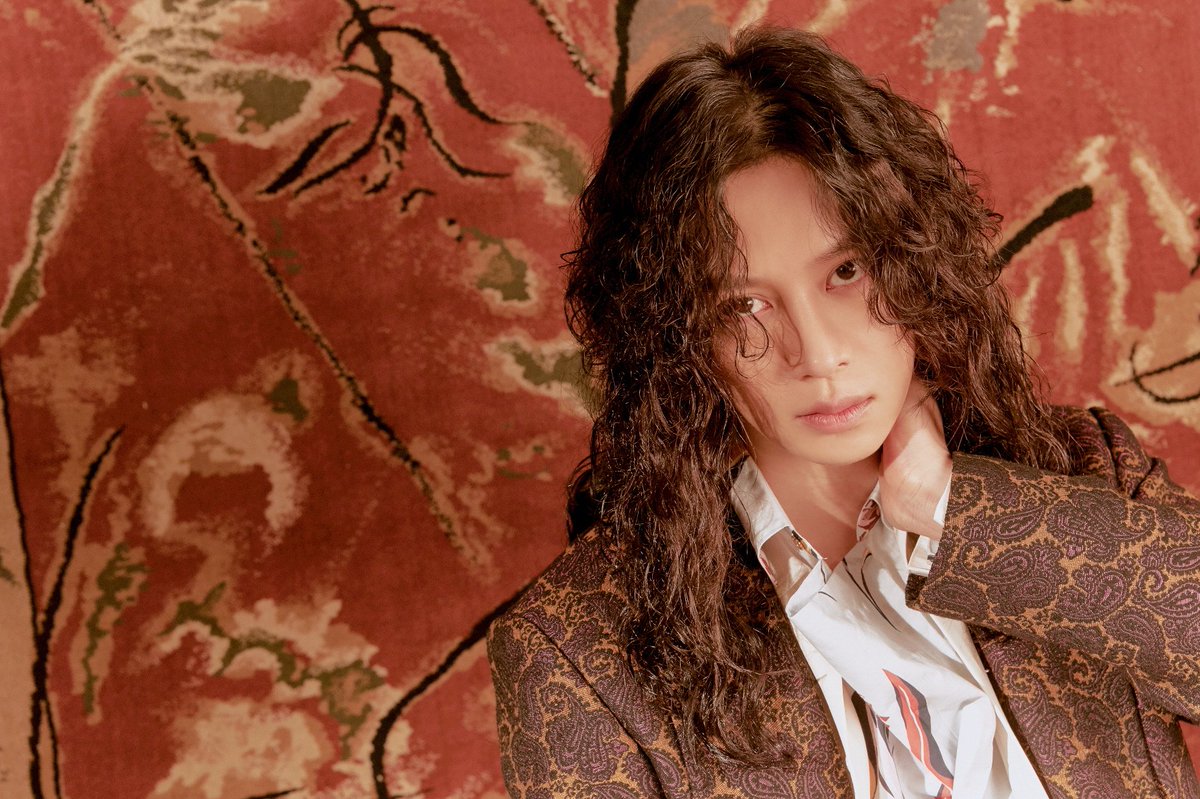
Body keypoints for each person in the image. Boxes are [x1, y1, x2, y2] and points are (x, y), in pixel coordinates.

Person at [487, 25, 1200, 799]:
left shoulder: (1083, 476)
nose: (818, 353)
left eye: (847, 271)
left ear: (917, 260)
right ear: (674, 337)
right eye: (743, 305)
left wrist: (950, 508)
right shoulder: (576, 651)